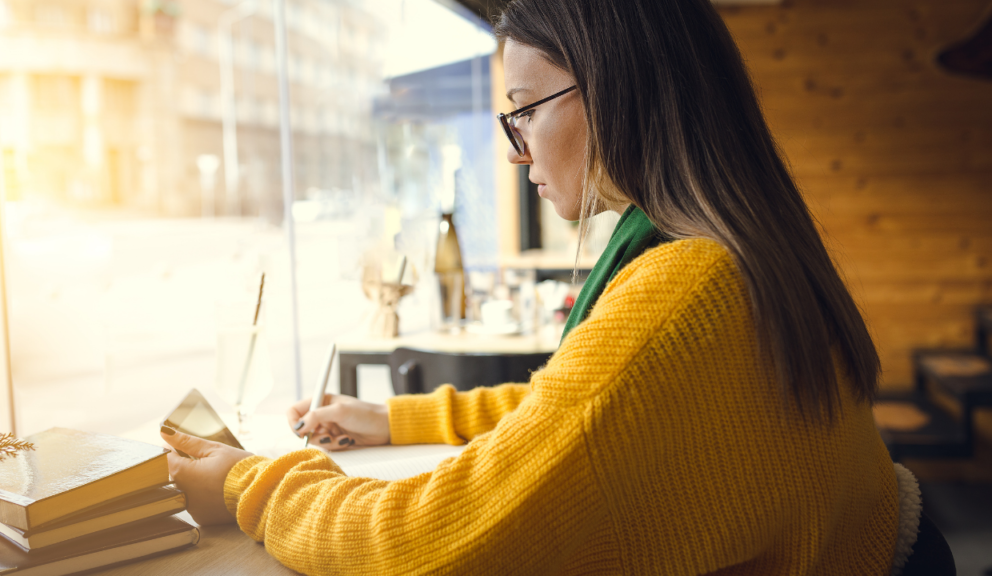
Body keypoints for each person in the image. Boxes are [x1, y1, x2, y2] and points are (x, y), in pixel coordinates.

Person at [160, 0, 901, 573]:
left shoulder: (688, 288)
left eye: (527, 109)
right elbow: (586, 406)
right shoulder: (742, 252)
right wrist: (397, 420)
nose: (517, 152)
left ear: (616, 89)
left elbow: (426, 545)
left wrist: (247, 485)